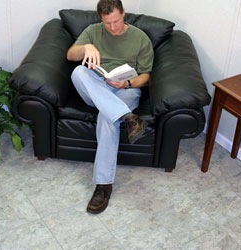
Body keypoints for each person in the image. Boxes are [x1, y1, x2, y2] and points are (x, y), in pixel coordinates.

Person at [67, 0, 154, 214]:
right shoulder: (92, 31)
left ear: (123, 13)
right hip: (96, 89)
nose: (113, 27)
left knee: (108, 118)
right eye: (107, 23)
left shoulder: (140, 38)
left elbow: (147, 77)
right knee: (78, 72)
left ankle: (103, 185)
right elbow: (70, 55)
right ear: (101, 19)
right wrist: (86, 47)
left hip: (126, 90)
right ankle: (128, 117)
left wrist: (127, 83)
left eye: (116, 21)